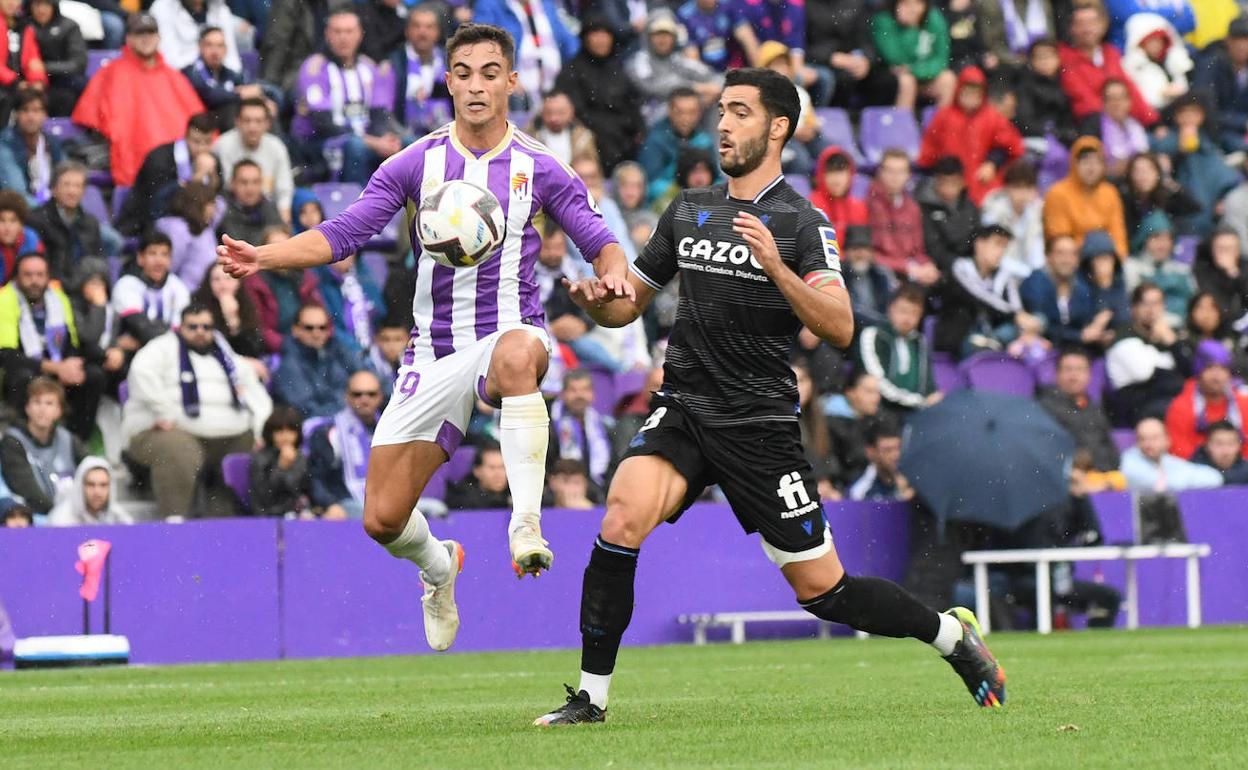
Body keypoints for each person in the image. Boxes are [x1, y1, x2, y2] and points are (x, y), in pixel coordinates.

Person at [532, 67, 1005, 726]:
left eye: (741, 112)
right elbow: (629, 306)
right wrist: (598, 302)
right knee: (620, 520)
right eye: (722, 110)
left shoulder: (801, 222)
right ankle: (591, 698)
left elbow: (839, 326)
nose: (723, 123)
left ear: (778, 127)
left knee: (827, 592)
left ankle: (951, 637)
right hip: (685, 407)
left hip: (759, 427)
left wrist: (779, 268)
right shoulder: (689, 209)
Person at [218, 23, 633, 652]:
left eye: (489, 72)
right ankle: (440, 567)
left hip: (508, 334)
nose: (476, 85)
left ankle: (525, 525)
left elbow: (600, 241)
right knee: (382, 518)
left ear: (512, 82)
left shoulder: (539, 167)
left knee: (520, 354)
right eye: (463, 72)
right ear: (447, 81)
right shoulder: (415, 162)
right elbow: (346, 232)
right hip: (432, 352)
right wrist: (265, 256)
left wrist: (610, 278)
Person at [122, 303, 272, 518]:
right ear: (180, 327)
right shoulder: (161, 348)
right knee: (177, 449)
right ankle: (174, 521)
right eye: (192, 327)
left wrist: (259, 430)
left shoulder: (227, 355)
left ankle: (253, 521)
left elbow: (255, 393)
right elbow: (141, 375)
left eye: (206, 327)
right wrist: (163, 412)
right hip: (171, 431)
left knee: (266, 448)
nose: (200, 332)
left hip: (228, 436)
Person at [71, 13, 206, 188]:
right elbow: (90, 116)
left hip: (178, 165)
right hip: (138, 167)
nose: (146, 38)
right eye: (139, 33)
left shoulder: (174, 76)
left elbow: (199, 122)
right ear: (128, 39)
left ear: (158, 38)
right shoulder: (112, 73)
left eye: (150, 33)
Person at [289, 8, 401, 185]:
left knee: (407, 143)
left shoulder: (368, 67)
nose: (343, 37)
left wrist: (385, 139)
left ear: (359, 34)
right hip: (319, 143)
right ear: (327, 34)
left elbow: (379, 114)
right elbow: (323, 123)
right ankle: (356, 206)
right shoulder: (314, 68)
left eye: (349, 31)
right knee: (355, 146)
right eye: (337, 32)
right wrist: (373, 142)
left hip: (364, 140)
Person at [0, 252, 104, 439]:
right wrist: (56, 368)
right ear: (17, 276)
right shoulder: (5, 299)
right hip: (24, 368)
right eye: (28, 275)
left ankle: (76, 441)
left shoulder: (57, 298)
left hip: (56, 364)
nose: (34, 281)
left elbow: (70, 342)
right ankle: (25, 441)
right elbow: (7, 355)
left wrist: (71, 366)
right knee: (23, 378)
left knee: (93, 375)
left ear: (48, 277)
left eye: (40, 275)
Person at [918, 67, 1024, 206]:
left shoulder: (993, 117)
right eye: (967, 91)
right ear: (959, 90)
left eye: (975, 92)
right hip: (949, 183)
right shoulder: (943, 116)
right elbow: (929, 152)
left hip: (982, 183)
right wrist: (945, 175)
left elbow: (1008, 145)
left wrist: (992, 164)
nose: (971, 95)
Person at [554, 17, 646, 174]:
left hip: (623, 137)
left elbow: (633, 103)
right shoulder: (572, 70)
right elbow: (576, 111)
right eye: (595, 34)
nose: (601, 40)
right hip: (594, 139)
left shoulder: (618, 67)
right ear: (585, 38)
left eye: (605, 35)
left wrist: (637, 127)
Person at [935, 224, 1041, 357]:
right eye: (997, 244)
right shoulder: (960, 268)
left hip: (992, 331)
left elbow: (1017, 308)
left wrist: (1026, 323)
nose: (1001, 251)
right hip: (962, 333)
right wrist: (1015, 316)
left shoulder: (1004, 275)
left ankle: (998, 343)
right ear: (979, 244)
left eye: (1004, 247)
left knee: (1039, 320)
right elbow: (979, 297)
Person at [1150, 94, 1240, 237]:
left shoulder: (1209, 144)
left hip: (1207, 213)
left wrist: (1224, 196)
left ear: (1201, 116)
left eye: (1194, 112)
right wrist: (1178, 151)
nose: (1189, 117)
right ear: (1176, 116)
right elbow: (1158, 170)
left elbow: (1226, 175)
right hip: (1178, 216)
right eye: (1184, 112)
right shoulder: (1164, 139)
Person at [115, 113, 218, 236]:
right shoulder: (159, 158)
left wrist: (212, 177)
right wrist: (196, 178)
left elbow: (216, 196)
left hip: (195, 223)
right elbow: (156, 204)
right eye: (196, 141)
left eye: (207, 142)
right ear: (186, 136)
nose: (201, 148)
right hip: (147, 222)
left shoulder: (212, 160)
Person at [1056, 1, 1157, 127]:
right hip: (1090, 126)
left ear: (1103, 25)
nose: (1087, 29)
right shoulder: (1064, 57)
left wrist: (1152, 121)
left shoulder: (1110, 53)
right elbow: (1082, 99)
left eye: (1092, 23)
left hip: (1122, 122)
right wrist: (1116, 118)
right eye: (1080, 24)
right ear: (1071, 28)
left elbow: (1130, 90)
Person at [0, 377, 86, 515]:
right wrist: (59, 513)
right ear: (27, 408)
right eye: (37, 402)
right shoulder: (12, 441)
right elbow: (28, 491)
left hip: (70, 516)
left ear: (59, 410)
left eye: (49, 403)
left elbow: (91, 469)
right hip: (32, 517)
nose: (42, 409)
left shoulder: (68, 439)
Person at [1105, 282, 1188, 426]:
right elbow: (1144, 372)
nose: (1151, 310)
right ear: (1134, 308)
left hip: (1163, 399)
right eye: (1145, 304)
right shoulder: (1124, 335)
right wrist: (1169, 368)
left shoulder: (1168, 335)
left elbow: (1190, 371)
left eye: (1156, 303)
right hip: (1135, 405)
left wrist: (1173, 343)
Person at [471, 0, 578, 109]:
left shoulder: (547, 5)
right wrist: (505, 73)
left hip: (552, 89)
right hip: (515, 92)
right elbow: (482, 46)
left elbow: (570, 46)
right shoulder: (490, 5)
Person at [307, 370, 384, 519]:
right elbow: (316, 477)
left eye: (371, 394)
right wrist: (330, 504)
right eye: (357, 394)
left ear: (380, 397)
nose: (364, 399)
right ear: (347, 396)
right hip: (347, 502)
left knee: (435, 510)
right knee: (371, 515)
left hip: (389, 502)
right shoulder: (330, 432)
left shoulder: (392, 430)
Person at [857, 284, 939, 412]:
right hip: (881, 411)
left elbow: (927, 384)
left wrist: (932, 398)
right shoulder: (874, 335)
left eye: (915, 313)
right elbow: (877, 383)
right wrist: (918, 401)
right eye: (903, 311)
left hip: (916, 412)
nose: (908, 319)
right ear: (890, 308)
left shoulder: (920, 342)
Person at [1020, 234, 1112, 348]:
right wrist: (1079, 336)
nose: (1067, 260)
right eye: (1060, 253)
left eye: (1072, 254)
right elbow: (1044, 327)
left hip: (1075, 350)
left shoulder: (1082, 287)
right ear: (1048, 256)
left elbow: (1088, 320)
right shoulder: (1035, 283)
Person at [1042, 136, 1129, 256]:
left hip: (1106, 261)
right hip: (1071, 261)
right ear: (1074, 163)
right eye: (1085, 161)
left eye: (1097, 162)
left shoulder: (1110, 193)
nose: (1091, 168)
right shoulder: (1057, 193)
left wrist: (1118, 261)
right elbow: (1059, 239)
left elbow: (1118, 235)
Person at [243, 226, 324, 354]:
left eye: (284, 246)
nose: (280, 253)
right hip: (277, 349)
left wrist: (318, 336)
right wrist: (287, 346)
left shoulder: (304, 276)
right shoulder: (256, 283)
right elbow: (259, 328)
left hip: (308, 340)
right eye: (274, 247)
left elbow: (321, 314)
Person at [271, 303, 361, 418]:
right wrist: (348, 412)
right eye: (309, 328)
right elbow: (306, 410)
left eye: (322, 328)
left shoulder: (337, 351)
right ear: (295, 330)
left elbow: (368, 377)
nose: (316, 333)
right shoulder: (289, 366)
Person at [1037, 348, 1120, 471]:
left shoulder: (1095, 408)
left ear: (1089, 375)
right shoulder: (1045, 407)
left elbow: (1110, 449)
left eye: (1080, 370)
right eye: (1068, 370)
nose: (1074, 376)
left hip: (1100, 475)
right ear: (1057, 374)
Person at [628, 9, 721, 118]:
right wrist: (697, 88)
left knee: (715, 100)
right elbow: (654, 87)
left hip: (684, 124)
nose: (663, 39)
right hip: (648, 123)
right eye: (658, 34)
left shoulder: (678, 59)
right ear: (648, 36)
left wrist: (715, 89)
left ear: (674, 37)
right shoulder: (639, 61)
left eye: (667, 34)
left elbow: (714, 76)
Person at [1164, 339, 1248, 460]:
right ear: (1199, 371)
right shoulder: (1181, 407)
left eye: (1222, 368)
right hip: (1197, 473)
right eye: (1209, 368)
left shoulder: (1244, 404)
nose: (1216, 376)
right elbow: (1179, 453)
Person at [867, 149, 939, 286]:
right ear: (880, 172)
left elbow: (917, 251)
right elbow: (867, 254)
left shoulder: (912, 208)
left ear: (908, 175)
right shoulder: (867, 204)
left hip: (909, 272)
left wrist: (927, 265)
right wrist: (906, 268)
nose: (895, 177)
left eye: (900, 172)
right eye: (890, 171)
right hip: (880, 273)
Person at [26, 162, 104, 283]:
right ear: (54, 188)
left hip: (84, 288)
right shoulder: (36, 219)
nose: (72, 192)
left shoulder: (91, 223)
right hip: (50, 287)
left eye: (78, 186)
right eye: (66, 185)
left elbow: (97, 261)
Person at [111, 232, 192, 348]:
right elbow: (140, 327)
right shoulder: (126, 284)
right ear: (140, 258)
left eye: (164, 254)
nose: (159, 261)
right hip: (129, 355)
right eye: (152, 253)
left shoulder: (179, 288)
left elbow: (182, 330)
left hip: (170, 354)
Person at [871, 0, 956, 110]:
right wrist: (909, 29)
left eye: (918, 3)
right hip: (890, 76)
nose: (913, 9)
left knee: (948, 79)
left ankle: (940, 124)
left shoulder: (934, 18)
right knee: (907, 82)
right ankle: (902, 124)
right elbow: (895, 58)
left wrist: (915, 70)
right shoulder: (883, 20)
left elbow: (942, 58)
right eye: (906, 4)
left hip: (922, 73)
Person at [638, 88, 717, 204]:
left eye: (691, 112)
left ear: (699, 113)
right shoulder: (655, 140)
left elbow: (717, 178)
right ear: (669, 111)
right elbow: (648, 184)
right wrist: (683, 190)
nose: (685, 118)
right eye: (679, 112)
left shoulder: (705, 141)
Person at [180, 25, 265, 132]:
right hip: (199, 124)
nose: (215, 51)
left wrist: (263, 100)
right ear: (200, 47)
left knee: (263, 112)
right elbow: (210, 95)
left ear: (226, 49)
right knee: (232, 110)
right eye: (209, 45)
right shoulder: (191, 71)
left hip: (221, 121)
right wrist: (239, 94)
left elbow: (250, 86)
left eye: (220, 46)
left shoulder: (228, 73)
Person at [1124, 210, 1195, 327]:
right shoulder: (1132, 267)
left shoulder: (1183, 270)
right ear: (1144, 239)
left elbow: (1195, 303)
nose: (1163, 245)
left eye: (1167, 238)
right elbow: (1134, 306)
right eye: (1156, 238)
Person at [388, 3, 451, 135]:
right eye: (417, 26)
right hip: (406, 137)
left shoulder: (449, 61)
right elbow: (387, 112)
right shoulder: (394, 62)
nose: (423, 32)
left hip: (447, 134)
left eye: (429, 27)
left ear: (438, 32)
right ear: (407, 30)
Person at [549, 369, 614, 491]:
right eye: (573, 390)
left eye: (585, 390)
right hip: (560, 491)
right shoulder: (550, 424)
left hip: (597, 490)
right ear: (563, 394)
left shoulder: (603, 426)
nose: (579, 395)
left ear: (593, 394)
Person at [1120, 416, 1223, 492]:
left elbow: (1215, 478)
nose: (1148, 444)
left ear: (1167, 440)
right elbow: (1154, 483)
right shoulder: (1127, 460)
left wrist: (1176, 480)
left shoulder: (1167, 460)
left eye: (1154, 438)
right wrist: (1181, 482)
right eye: (1142, 439)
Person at [191, 262, 267, 362]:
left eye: (228, 279)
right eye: (216, 279)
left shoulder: (247, 306)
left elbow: (254, 350)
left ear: (238, 283)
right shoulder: (199, 304)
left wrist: (233, 320)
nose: (222, 284)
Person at [260, 0, 342, 93]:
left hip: (334, 69)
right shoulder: (287, 5)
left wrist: (322, 56)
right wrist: (269, 88)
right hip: (295, 74)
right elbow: (276, 47)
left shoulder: (338, 4)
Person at [1193, 15, 1248, 154]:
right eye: (1237, 40)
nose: (1242, 45)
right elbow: (1204, 109)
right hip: (1215, 132)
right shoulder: (1210, 64)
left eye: (1246, 40)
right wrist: (1242, 122)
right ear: (1227, 41)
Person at [1117, 152, 1201, 242]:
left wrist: (1172, 185)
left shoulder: (1167, 197)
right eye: (1138, 171)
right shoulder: (1124, 199)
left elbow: (1195, 207)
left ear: (1157, 173)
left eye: (1148, 170)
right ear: (1130, 175)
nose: (1143, 175)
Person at [981, 160, 1045, 279]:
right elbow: (990, 254)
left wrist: (1034, 275)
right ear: (1007, 188)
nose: (1023, 193)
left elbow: (1037, 252)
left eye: (1028, 188)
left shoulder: (1037, 212)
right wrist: (1026, 272)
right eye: (1018, 187)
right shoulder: (993, 210)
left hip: (1027, 276)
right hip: (996, 273)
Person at [0, 90, 63, 207]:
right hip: (20, 212)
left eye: (36, 110)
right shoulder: (5, 144)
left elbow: (66, 176)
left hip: (51, 207)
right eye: (25, 110)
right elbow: (18, 195)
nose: (30, 116)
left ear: (45, 115)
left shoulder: (52, 142)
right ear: (16, 114)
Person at [918, 156, 980, 273]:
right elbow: (932, 246)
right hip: (937, 269)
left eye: (953, 183)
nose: (948, 189)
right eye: (943, 183)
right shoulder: (924, 206)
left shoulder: (970, 206)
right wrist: (958, 265)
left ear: (962, 182)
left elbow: (977, 238)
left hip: (968, 267)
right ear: (936, 181)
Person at [25, 0, 86, 118]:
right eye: (37, 4)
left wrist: (45, 67)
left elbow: (79, 63)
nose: (41, 10)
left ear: (54, 6)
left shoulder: (69, 26)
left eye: (46, 4)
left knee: (78, 84)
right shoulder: (24, 26)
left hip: (60, 79)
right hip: (31, 79)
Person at [1012, 38, 1079, 146]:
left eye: (1049, 56)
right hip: (1041, 139)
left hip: (1065, 136)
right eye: (1039, 57)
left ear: (1058, 58)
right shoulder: (1024, 86)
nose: (1045, 61)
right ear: (1031, 61)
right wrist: (1054, 133)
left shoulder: (1067, 81)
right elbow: (1026, 122)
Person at [249, 404, 312, 518]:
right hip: (268, 515)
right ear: (270, 432)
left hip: (295, 514)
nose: (285, 436)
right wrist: (281, 467)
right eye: (279, 431)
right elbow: (265, 497)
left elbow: (298, 489)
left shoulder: (300, 457)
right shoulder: (260, 458)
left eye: (290, 431)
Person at [826, 368, 882, 493]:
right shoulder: (831, 424)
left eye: (878, 392)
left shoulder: (874, 421)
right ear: (850, 392)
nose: (876, 398)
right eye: (869, 391)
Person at [1120, 13, 1191, 111]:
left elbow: (1183, 86)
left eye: (1159, 40)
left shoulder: (1171, 60)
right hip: (1153, 113)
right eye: (1151, 41)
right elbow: (1137, 97)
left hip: (1177, 109)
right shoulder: (1132, 65)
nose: (1156, 45)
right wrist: (1162, 95)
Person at [151, 0, 242, 73]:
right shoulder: (162, 7)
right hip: (181, 81)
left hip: (217, 80)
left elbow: (232, 60)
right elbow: (170, 62)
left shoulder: (221, 9)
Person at [1086, 79, 1149, 179]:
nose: (1116, 103)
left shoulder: (1135, 126)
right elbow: (1088, 164)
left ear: (1129, 101)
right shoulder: (1094, 125)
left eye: (1120, 98)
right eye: (1111, 99)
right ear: (1103, 103)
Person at [0, 0, 48, 127]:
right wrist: (15, 82)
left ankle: (36, 142)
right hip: (6, 84)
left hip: (18, 84)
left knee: (51, 97)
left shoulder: (24, 26)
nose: (12, 3)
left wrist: (37, 81)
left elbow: (33, 59)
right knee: (5, 99)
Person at [809, 146, 866, 252]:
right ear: (821, 175)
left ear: (850, 174)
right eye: (830, 172)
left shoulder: (858, 207)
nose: (836, 179)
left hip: (850, 265)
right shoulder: (812, 206)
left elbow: (861, 247)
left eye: (841, 172)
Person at [47, 457, 133, 526]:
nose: (97, 492)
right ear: (80, 486)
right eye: (91, 484)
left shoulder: (118, 517)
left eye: (103, 485)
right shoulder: (61, 522)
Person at [217, 159, 283, 246]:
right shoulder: (221, 208)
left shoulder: (269, 206)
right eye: (244, 182)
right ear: (232, 183)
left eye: (255, 182)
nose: (250, 188)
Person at [841, 225, 897, 327]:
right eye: (855, 248)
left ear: (872, 253)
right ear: (846, 252)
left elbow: (893, 304)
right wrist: (881, 322)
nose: (860, 254)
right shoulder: (839, 275)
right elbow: (848, 308)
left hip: (881, 332)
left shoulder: (882, 274)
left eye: (865, 248)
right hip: (850, 329)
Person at [526, 90, 599, 169]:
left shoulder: (583, 138)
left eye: (560, 113)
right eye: (549, 113)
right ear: (542, 112)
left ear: (571, 112)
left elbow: (591, 167)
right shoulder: (529, 137)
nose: (553, 118)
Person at [848, 419, 915, 501]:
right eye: (888, 450)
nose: (896, 455)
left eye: (899, 448)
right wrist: (898, 498)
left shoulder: (917, 479)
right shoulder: (860, 489)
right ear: (870, 452)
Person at [1193, 226, 1248, 324]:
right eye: (1220, 248)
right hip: (1216, 323)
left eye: (1230, 248)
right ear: (1212, 249)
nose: (1225, 253)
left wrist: (1234, 274)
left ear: (1238, 251)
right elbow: (1211, 299)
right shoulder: (1204, 268)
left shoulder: (1245, 266)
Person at [445, 440, 512, 510]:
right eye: (492, 468)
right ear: (477, 471)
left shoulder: (518, 493)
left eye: (502, 467)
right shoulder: (460, 498)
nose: (498, 474)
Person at [1189, 420, 1248, 484]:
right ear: (1206, 446)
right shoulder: (1190, 474)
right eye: (1219, 444)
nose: (1225, 451)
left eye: (1231, 444)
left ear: (1239, 446)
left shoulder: (1245, 470)